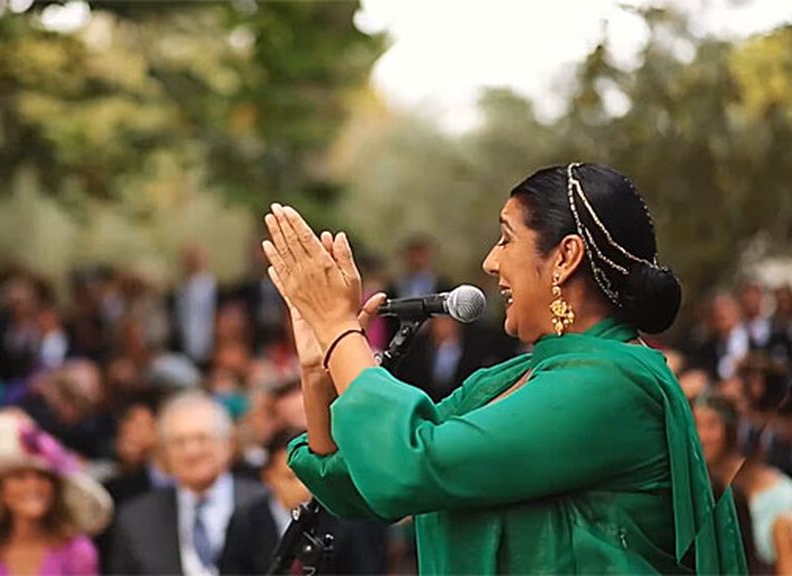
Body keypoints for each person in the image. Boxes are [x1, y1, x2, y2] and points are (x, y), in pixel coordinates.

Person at [261, 162, 746, 574]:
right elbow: (359, 483)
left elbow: (409, 464)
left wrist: (341, 330)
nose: (490, 262)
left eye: (506, 238)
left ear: (565, 257)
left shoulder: (613, 385)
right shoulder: (509, 380)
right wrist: (318, 369)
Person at [0, 410, 111, 576]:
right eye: (20, 477)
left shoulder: (76, 550)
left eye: (42, 476)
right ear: (0, 490)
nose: (33, 485)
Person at [105, 391, 264, 575]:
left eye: (202, 438)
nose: (191, 452)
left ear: (227, 444)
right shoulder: (136, 519)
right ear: (164, 453)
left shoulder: (263, 503)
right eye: (178, 442)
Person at [218, 429, 388, 575]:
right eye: (291, 478)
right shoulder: (246, 521)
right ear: (268, 476)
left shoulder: (345, 518)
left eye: (307, 478)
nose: (302, 488)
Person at [695, 395, 792, 572]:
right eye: (695, 426)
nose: (702, 436)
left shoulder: (781, 496)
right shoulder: (691, 486)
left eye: (711, 426)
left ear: (731, 430)